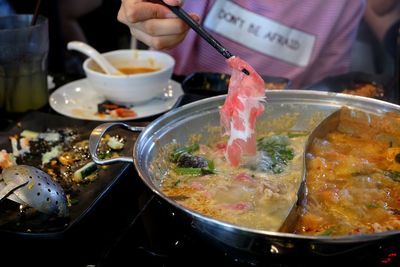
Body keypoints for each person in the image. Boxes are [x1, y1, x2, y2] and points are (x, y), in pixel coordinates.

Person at [118, 0, 366, 88]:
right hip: (175, 93)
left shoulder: (346, 5)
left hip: (276, 117)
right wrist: (147, 12)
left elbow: (322, 91)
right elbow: (157, 13)